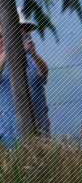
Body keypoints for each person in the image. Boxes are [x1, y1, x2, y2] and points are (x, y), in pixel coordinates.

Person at [0, 11, 50, 145]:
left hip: (37, 123)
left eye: (26, 29)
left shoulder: (31, 58)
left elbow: (43, 73)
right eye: (19, 29)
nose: (23, 32)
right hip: (7, 129)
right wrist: (8, 49)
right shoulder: (2, 58)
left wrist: (33, 54)